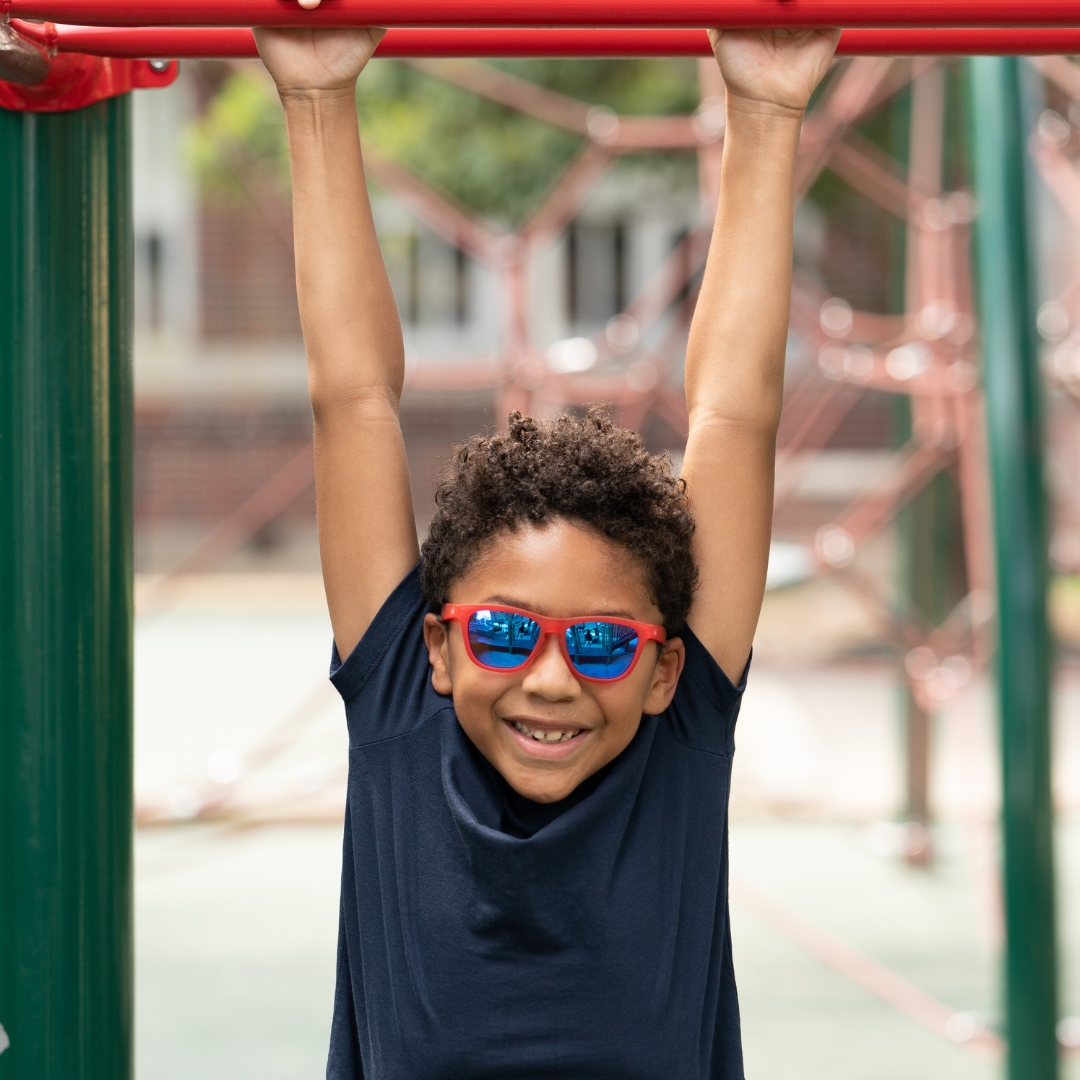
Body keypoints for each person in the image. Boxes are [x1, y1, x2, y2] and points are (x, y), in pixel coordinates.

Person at [254, 19, 839, 1080]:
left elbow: (733, 420)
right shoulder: (401, 709)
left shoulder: (678, 740)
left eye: (605, 646)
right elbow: (351, 399)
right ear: (438, 648)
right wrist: (317, 96)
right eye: (506, 633)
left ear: (668, 667)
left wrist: (765, 110)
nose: (554, 679)